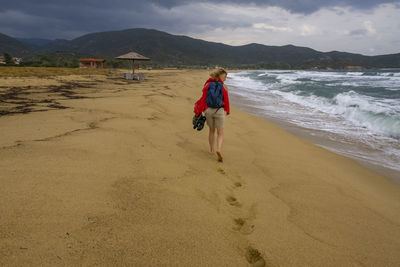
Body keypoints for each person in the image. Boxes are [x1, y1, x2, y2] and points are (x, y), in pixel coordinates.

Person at [194, 68, 230, 162]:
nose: (225, 79)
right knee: (220, 133)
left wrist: (201, 109)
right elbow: (226, 100)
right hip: (219, 110)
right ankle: (218, 149)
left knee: (211, 131)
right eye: (225, 77)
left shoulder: (208, 84)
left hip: (208, 110)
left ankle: (211, 150)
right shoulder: (223, 86)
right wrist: (227, 110)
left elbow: (203, 97)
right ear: (221, 76)